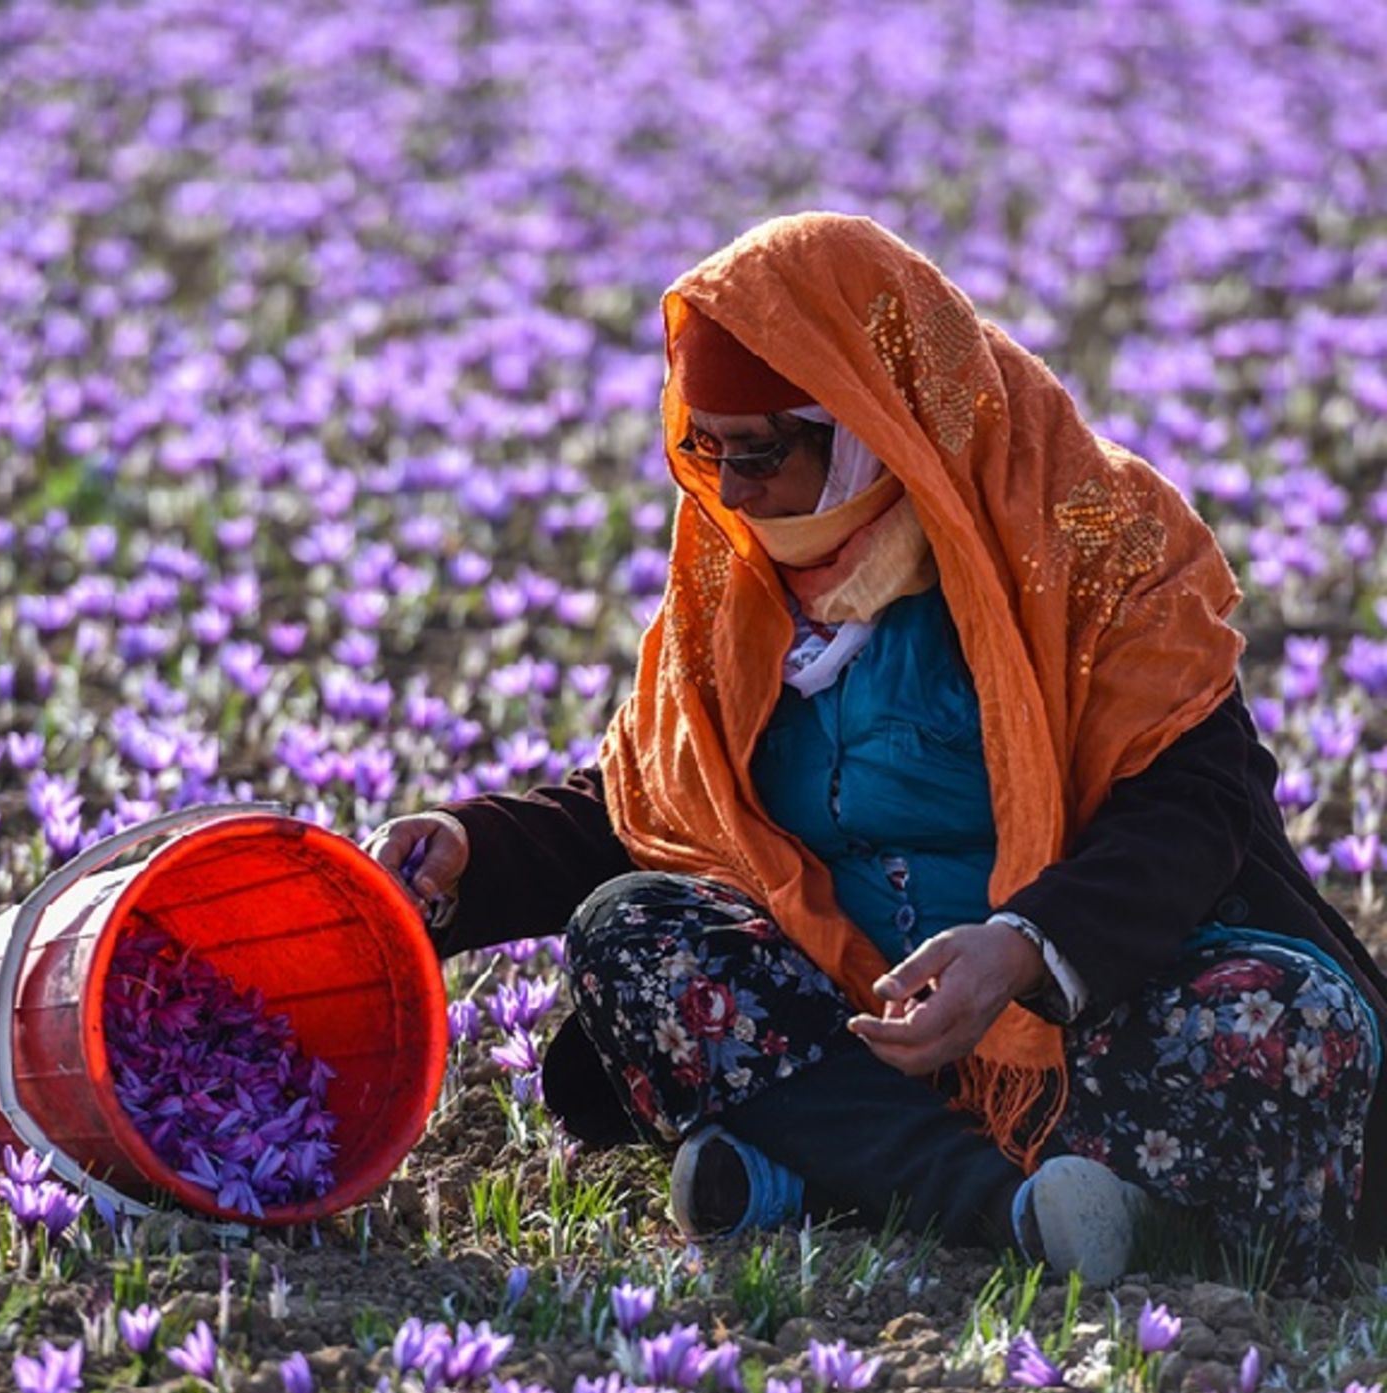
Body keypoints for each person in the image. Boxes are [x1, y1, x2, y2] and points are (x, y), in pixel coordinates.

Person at [364, 212, 1386, 1290]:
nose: (729, 489)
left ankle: (824, 1174)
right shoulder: (737, 586)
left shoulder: (1085, 540)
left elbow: (1194, 805)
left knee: (1288, 1016)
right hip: (854, 1020)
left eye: (758, 452)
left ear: (862, 418)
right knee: (630, 930)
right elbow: (657, 804)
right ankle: (1006, 1207)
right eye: (704, 446)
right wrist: (471, 849)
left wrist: (1022, 949)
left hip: (1075, 1014)